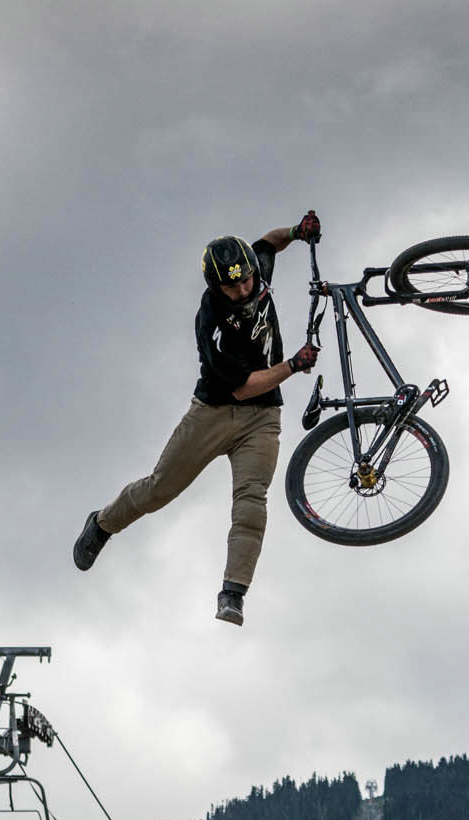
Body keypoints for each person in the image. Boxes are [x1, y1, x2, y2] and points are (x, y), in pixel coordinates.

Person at [73, 211, 322, 625]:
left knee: (251, 503)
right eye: (233, 285)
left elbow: (268, 241)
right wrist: (293, 365)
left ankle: (233, 593)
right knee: (159, 490)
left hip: (262, 420)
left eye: (247, 281)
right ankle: (102, 523)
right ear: (215, 286)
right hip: (215, 413)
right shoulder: (213, 323)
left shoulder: (253, 269)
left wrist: (297, 232)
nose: (243, 290)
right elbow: (243, 387)